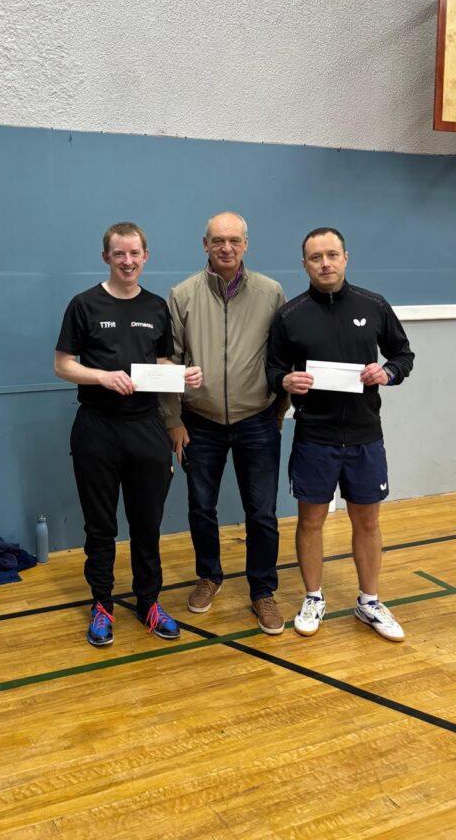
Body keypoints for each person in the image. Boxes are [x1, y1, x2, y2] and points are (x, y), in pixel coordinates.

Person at [55, 221, 202, 647]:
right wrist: (101, 376)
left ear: (145, 256)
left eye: (134, 253)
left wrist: (182, 374)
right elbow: (63, 364)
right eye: (119, 253)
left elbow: (161, 363)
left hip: (146, 428)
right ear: (106, 257)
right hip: (96, 429)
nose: (127, 261)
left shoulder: (156, 307)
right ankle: (102, 604)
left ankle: (148, 602)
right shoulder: (83, 305)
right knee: (100, 526)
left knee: (146, 524)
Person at [266, 227, 414, 642]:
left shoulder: (374, 305)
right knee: (311, 521)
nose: (325, 263)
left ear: (346, 257)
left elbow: (403, 355)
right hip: (314, 437)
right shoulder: (290, 315)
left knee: (367, 521)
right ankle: (313, 597)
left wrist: (387, 372)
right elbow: (272, 368)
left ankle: (369, 601)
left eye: (332, 255)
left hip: (366, 436)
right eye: (316, 257)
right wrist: (285, 381)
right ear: (304, 265)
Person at [161, 212, 288, 635]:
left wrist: (279, 410)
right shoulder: (182, 295)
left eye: (234, 240)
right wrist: (174, 420)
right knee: (201, 507)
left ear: (246, 244)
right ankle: (209, 576)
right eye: (218, 240)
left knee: (262, 512)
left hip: (258, 421)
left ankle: (262, 591)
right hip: (199, 422)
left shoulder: (271, 293)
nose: (226, 248)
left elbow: (283, 358)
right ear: (205, 245)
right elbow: (169, 361)